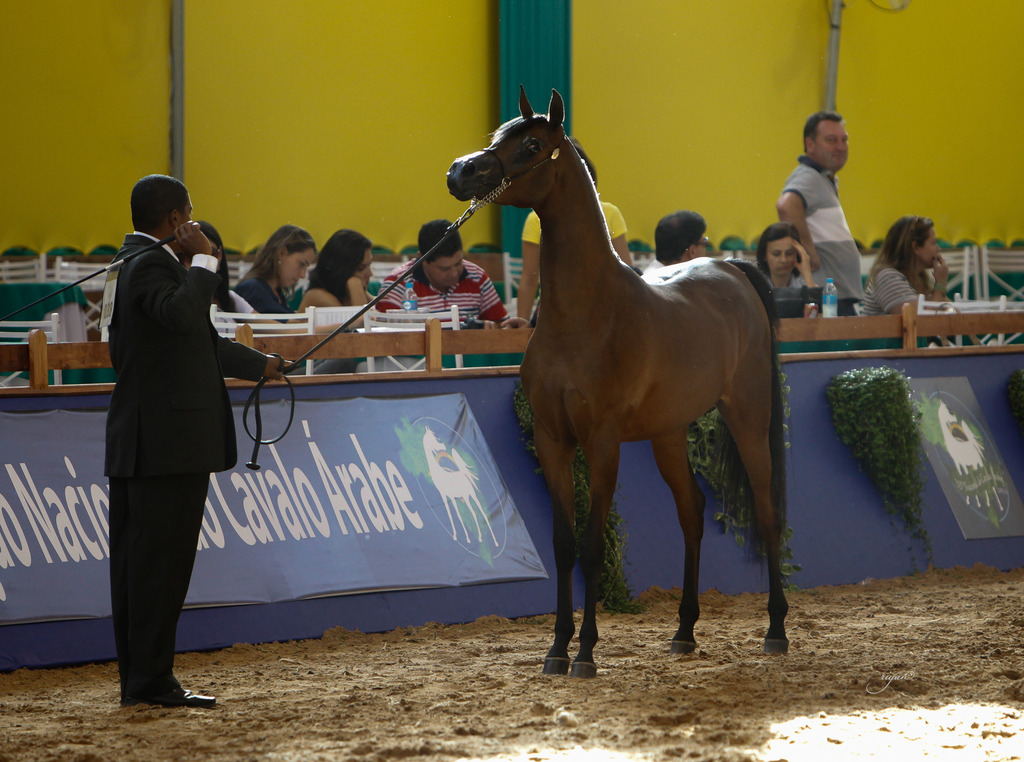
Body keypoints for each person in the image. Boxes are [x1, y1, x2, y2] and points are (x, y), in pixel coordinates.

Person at [105, 174, 285, 708]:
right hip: (164, 445)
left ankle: (145, 679)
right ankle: (150, 681)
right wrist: (205, 258)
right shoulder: (151, 266)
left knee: (144, 569)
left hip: (149, 442)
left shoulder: (138, 264)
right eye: (190, 213)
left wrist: (265, 366)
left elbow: (199, 342)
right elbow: (185, 317)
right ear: (175, 222)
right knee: (158, 569)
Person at [518, 137, 630, 322]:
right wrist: (521, 324)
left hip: (604, 308)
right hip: (554, 311)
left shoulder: (609, 213)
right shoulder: (535, 220)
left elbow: (626, 269)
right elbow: (529, 278)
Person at [776, 110, 864, 315]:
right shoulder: (810, 177)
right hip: (827, 299)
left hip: (834, 296)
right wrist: (808, 252)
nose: (841, 147)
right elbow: (786, 205)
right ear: (810, 145)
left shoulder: (822, 178)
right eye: (832, 140)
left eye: (844, 140)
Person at [378, 219, 529, 328]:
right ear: (421, 259)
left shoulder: (476, 277)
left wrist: (497, 327)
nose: (454, 273)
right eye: (444, 269)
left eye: (458, 263)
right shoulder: (397, 285)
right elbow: (384, 335)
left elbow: (501, 325)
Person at [861, 215, 949, 315]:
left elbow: (953, 313)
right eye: (933, 243)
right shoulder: (888, 278)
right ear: (916, 247)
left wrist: (940, 286)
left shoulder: (920, 278)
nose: (938, 249)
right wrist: (941, 285)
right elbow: (921, 323)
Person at [233, 224, 317, 313]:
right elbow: (288, 326)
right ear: (281, 253)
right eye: (301, 264)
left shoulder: (276, 293)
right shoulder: (252, 290)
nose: (303, 275)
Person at [297, 229, 372, 311]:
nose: (370, 273)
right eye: (361, 268)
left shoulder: (345, 293)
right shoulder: (317, 295)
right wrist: (354, 284)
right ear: (341, 270)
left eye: (369, 265)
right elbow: (360, 322)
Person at [197, 220, 256, 314]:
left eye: (212, 252)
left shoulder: (230, 298)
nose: (207, 259)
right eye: (199, 254)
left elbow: (267, 324)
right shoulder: (184, 299)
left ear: (220, 255)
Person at [755, 222, 817, 289]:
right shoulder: (755, 287)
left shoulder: (806, 285)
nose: (783, 260)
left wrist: (807, 273)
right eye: (776, 254)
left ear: (797, 254)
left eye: (789, 253)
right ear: (765, 256)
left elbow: (814, 298)